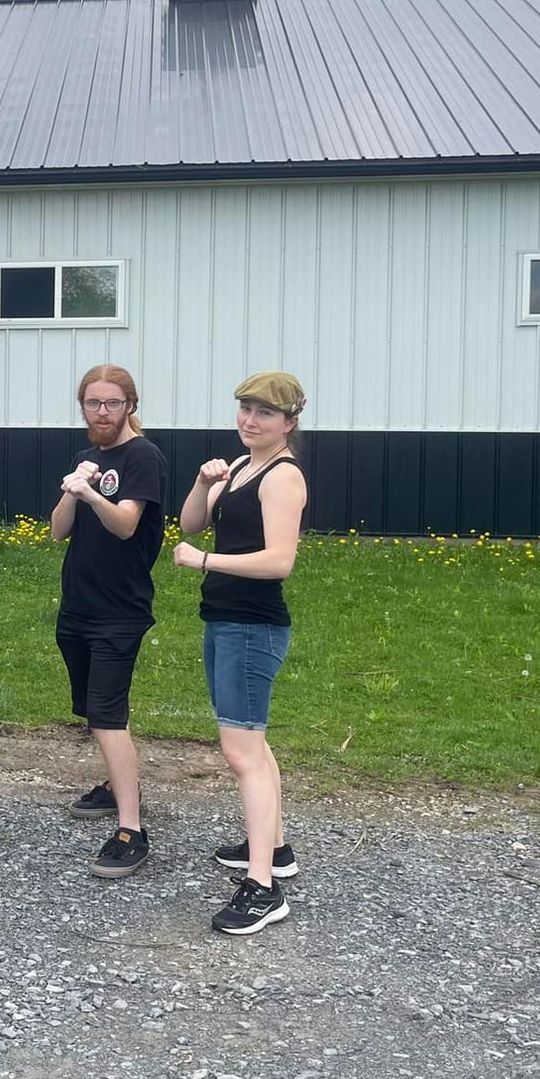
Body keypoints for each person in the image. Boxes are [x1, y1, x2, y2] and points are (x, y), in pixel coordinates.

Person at [173, 371, 309, 935]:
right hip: (226, 619)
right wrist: (203, 483)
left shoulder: (283, 476)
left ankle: (263, 890)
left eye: (265, 413)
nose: (250, 420)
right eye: (246, 409)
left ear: (289, 423)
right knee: (253, 743)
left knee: (242, 752)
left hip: (252, 626)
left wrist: (204, 560)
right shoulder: (242, 466)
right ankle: (274, 850)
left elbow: (279, 561)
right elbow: (191, 523)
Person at [51, 363, 169, 879]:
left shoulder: (143, 456)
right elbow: (57, 530)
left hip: (120, 610)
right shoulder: (87, 458)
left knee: (106, 714)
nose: (101, 412)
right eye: (93, 403)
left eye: (112, 403)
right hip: (78, 604)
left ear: (130, 406)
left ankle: (131, 829)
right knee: (94, 710)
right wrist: (72, 487)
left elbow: (125, 525)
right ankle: (117, 784)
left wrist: (92, 493)